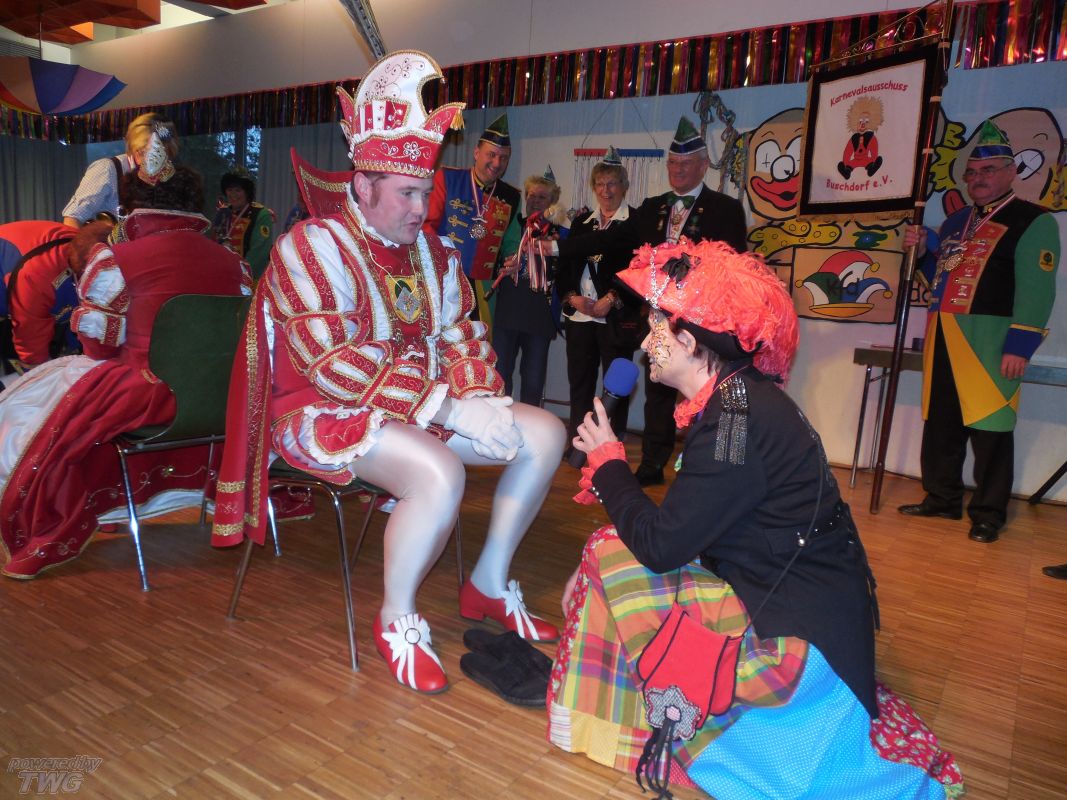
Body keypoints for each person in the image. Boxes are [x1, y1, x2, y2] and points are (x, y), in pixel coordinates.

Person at [549, 237, 964, 799]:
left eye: (656, 330)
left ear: (690, 342)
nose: (646, 344)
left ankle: (653, 717)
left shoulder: (733, 423)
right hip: (792, 590)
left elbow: (662, 547)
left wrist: (610, 466)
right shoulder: (740, 399)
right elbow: (696, 524)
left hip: (801, 637)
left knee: (612, 551)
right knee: (611, 548)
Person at [212, 51, 565, 695]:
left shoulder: (434, 252)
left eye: (425, 192)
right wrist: (451, 411)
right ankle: (396, 617)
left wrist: (482, 398)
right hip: (321, 411)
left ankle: (488, 582)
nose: (420, 208)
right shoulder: (311, 247)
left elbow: (459, 332)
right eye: (407, 193)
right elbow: (334, 366)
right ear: (364, 185)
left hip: (416, 405)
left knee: (543, 434)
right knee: (439, 469)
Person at [0, 125, 251, 579]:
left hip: (149, 399)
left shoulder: (115, 259)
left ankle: (90, 510)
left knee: (33, 405)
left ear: (131, 206)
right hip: (224, 403)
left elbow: (97, 344)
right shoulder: (236, 264)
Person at [553, 116, 748, 486]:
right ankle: (653, 463)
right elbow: (609, 241)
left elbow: (734, 265)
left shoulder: (724, 208)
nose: (678, 170)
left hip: (702, 319)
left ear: (703, 166)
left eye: (686, 163)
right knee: (658, 388)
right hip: (658, 317)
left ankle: (705, 463)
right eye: (673, 163)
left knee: (705, 389)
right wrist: (556, 247)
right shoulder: (653, 207)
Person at [898, 120, 1060, 544]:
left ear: (1011, 172)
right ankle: (942, 498)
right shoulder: (955, 222)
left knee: (991, 427)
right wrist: (923, 251)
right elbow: (940, 276)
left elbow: (1037, 289)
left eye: (988, 171)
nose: (978, 179)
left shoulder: (1033, 221)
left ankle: (988, 513)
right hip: (943, 332)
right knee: (941, 422)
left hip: (992, 338)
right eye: (971, 173)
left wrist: (1020, 345)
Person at [556, 146, 642, 443]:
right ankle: (578, 443)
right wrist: (572, 297)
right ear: (594, 187)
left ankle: (611, 444)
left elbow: (639, 271)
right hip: (580, 317)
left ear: (624, 186)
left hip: (615, 319)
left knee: (615, 388)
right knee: (580, 383)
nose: (606, 190)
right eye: (601, 184)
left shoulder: (635, 223)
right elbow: (563, 268)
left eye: (612, 183)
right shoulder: (582, 223)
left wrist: (612, 298)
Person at [424, 113, 521, 326]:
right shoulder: (447, 178)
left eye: (504, 158)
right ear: (476, 153)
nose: (497, 163)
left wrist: (514, 259)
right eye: (491, 154)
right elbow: (428, 227)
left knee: (480, 341)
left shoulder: (512, 196)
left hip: (484, 288)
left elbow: (512, 242)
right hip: (444, 279)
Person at [492, 166, 568, 406]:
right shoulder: (510, 225)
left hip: (540, 314)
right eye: (531, 195)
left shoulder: (562, 234)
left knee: (533, 380)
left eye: (542, 197)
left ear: (553, 201)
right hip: (508, 310)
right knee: (500, 374)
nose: (535, 201)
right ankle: (500, 421)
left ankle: (532, 424)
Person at [62, 113, 177, 228]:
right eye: (143, 151)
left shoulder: (170, 177)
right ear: (133, 146)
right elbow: (73, 218)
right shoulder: (107, 169)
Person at [0, 220, 84, 374]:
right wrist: (38, 375)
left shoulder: (95, 253)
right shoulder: (39, 276)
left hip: (29, 274)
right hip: (26, 277)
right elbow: (31, 341)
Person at [209, 168, 275, 279]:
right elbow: (213, 244)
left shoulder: (260, 214)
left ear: (247, 192)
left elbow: (259, 253)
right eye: (230, 190)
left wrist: (240, 275)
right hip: (221, 277)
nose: (233, 194)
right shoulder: (222, 212)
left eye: (238, 190)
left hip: (248, 280)